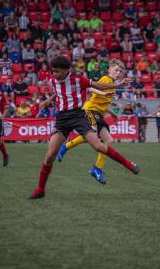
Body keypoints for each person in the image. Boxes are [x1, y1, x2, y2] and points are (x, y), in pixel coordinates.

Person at [29, 56, 140, 199]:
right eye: (53, 71)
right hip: (62, 119)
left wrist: (118, 86)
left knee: (99, 145)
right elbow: (58, 94)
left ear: (67, 70)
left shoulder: (78, 79)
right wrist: (46, 102)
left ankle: (129, 165)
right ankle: (40, 190)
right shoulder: (53, 81)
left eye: (57, 72)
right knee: (49, 156)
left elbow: (98, 86)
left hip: (78, 116)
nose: (54, 74)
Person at [57, 59, 133, 183]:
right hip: (90, 110)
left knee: (108, 141)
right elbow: (90, 89)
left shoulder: (112, 86)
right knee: (92, 136)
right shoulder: (105, 80)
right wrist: (102, 94)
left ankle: (96, 168)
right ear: (109, 70)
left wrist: (112, 113)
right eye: (116, 70)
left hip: (98, 114)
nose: (118, 73)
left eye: (120, 71)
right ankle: (66, 146)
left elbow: (102, 104)